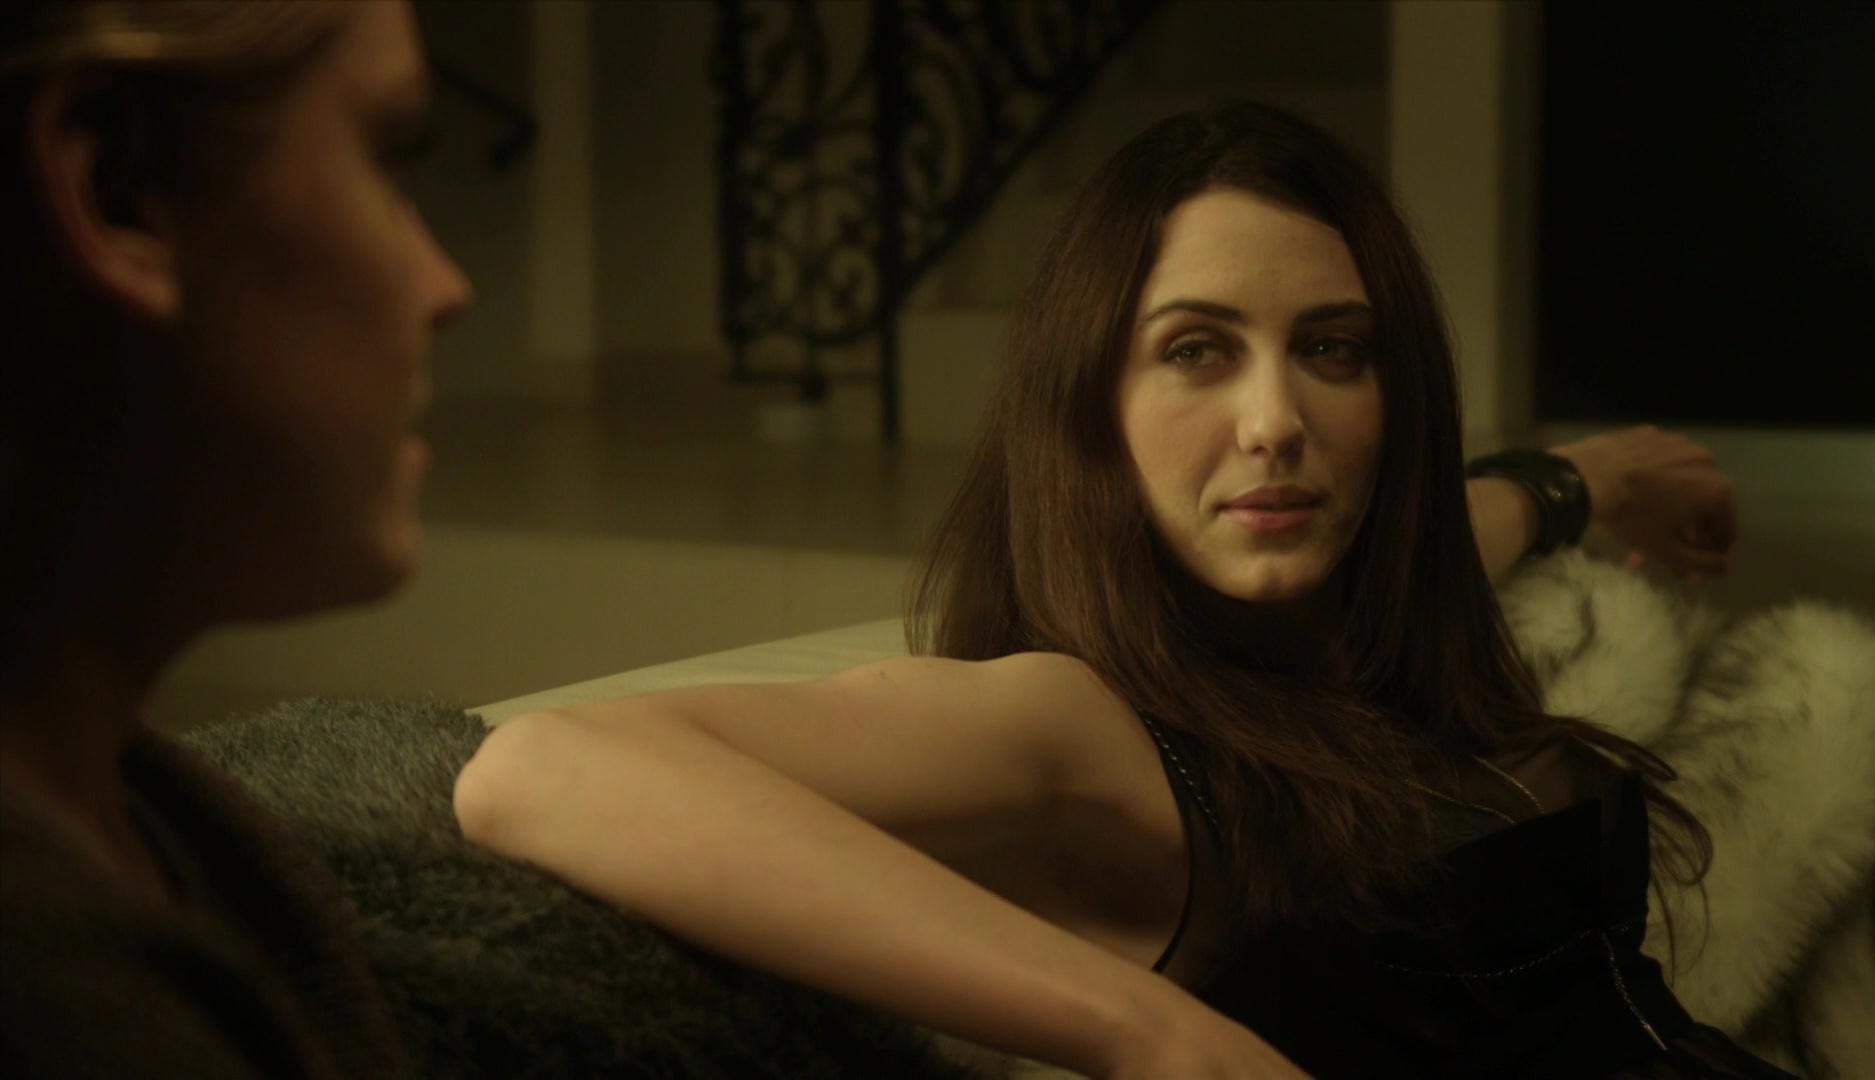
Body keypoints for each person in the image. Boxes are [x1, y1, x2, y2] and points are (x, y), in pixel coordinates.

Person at [454, 103, 1779, 1078]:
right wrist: (1153, 1036)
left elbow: (1453, 528)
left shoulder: (1362, 621)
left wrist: (1586, 480)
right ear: (1092, 406)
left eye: (1333, 349)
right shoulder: (1078, 726)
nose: (1277, 421)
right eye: (1197, 351)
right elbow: (542, 770)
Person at [1, 1, 469, 1074]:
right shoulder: (64, 1006)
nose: (448, 287)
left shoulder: (152, 824)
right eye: (389, 154)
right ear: (121, 193)